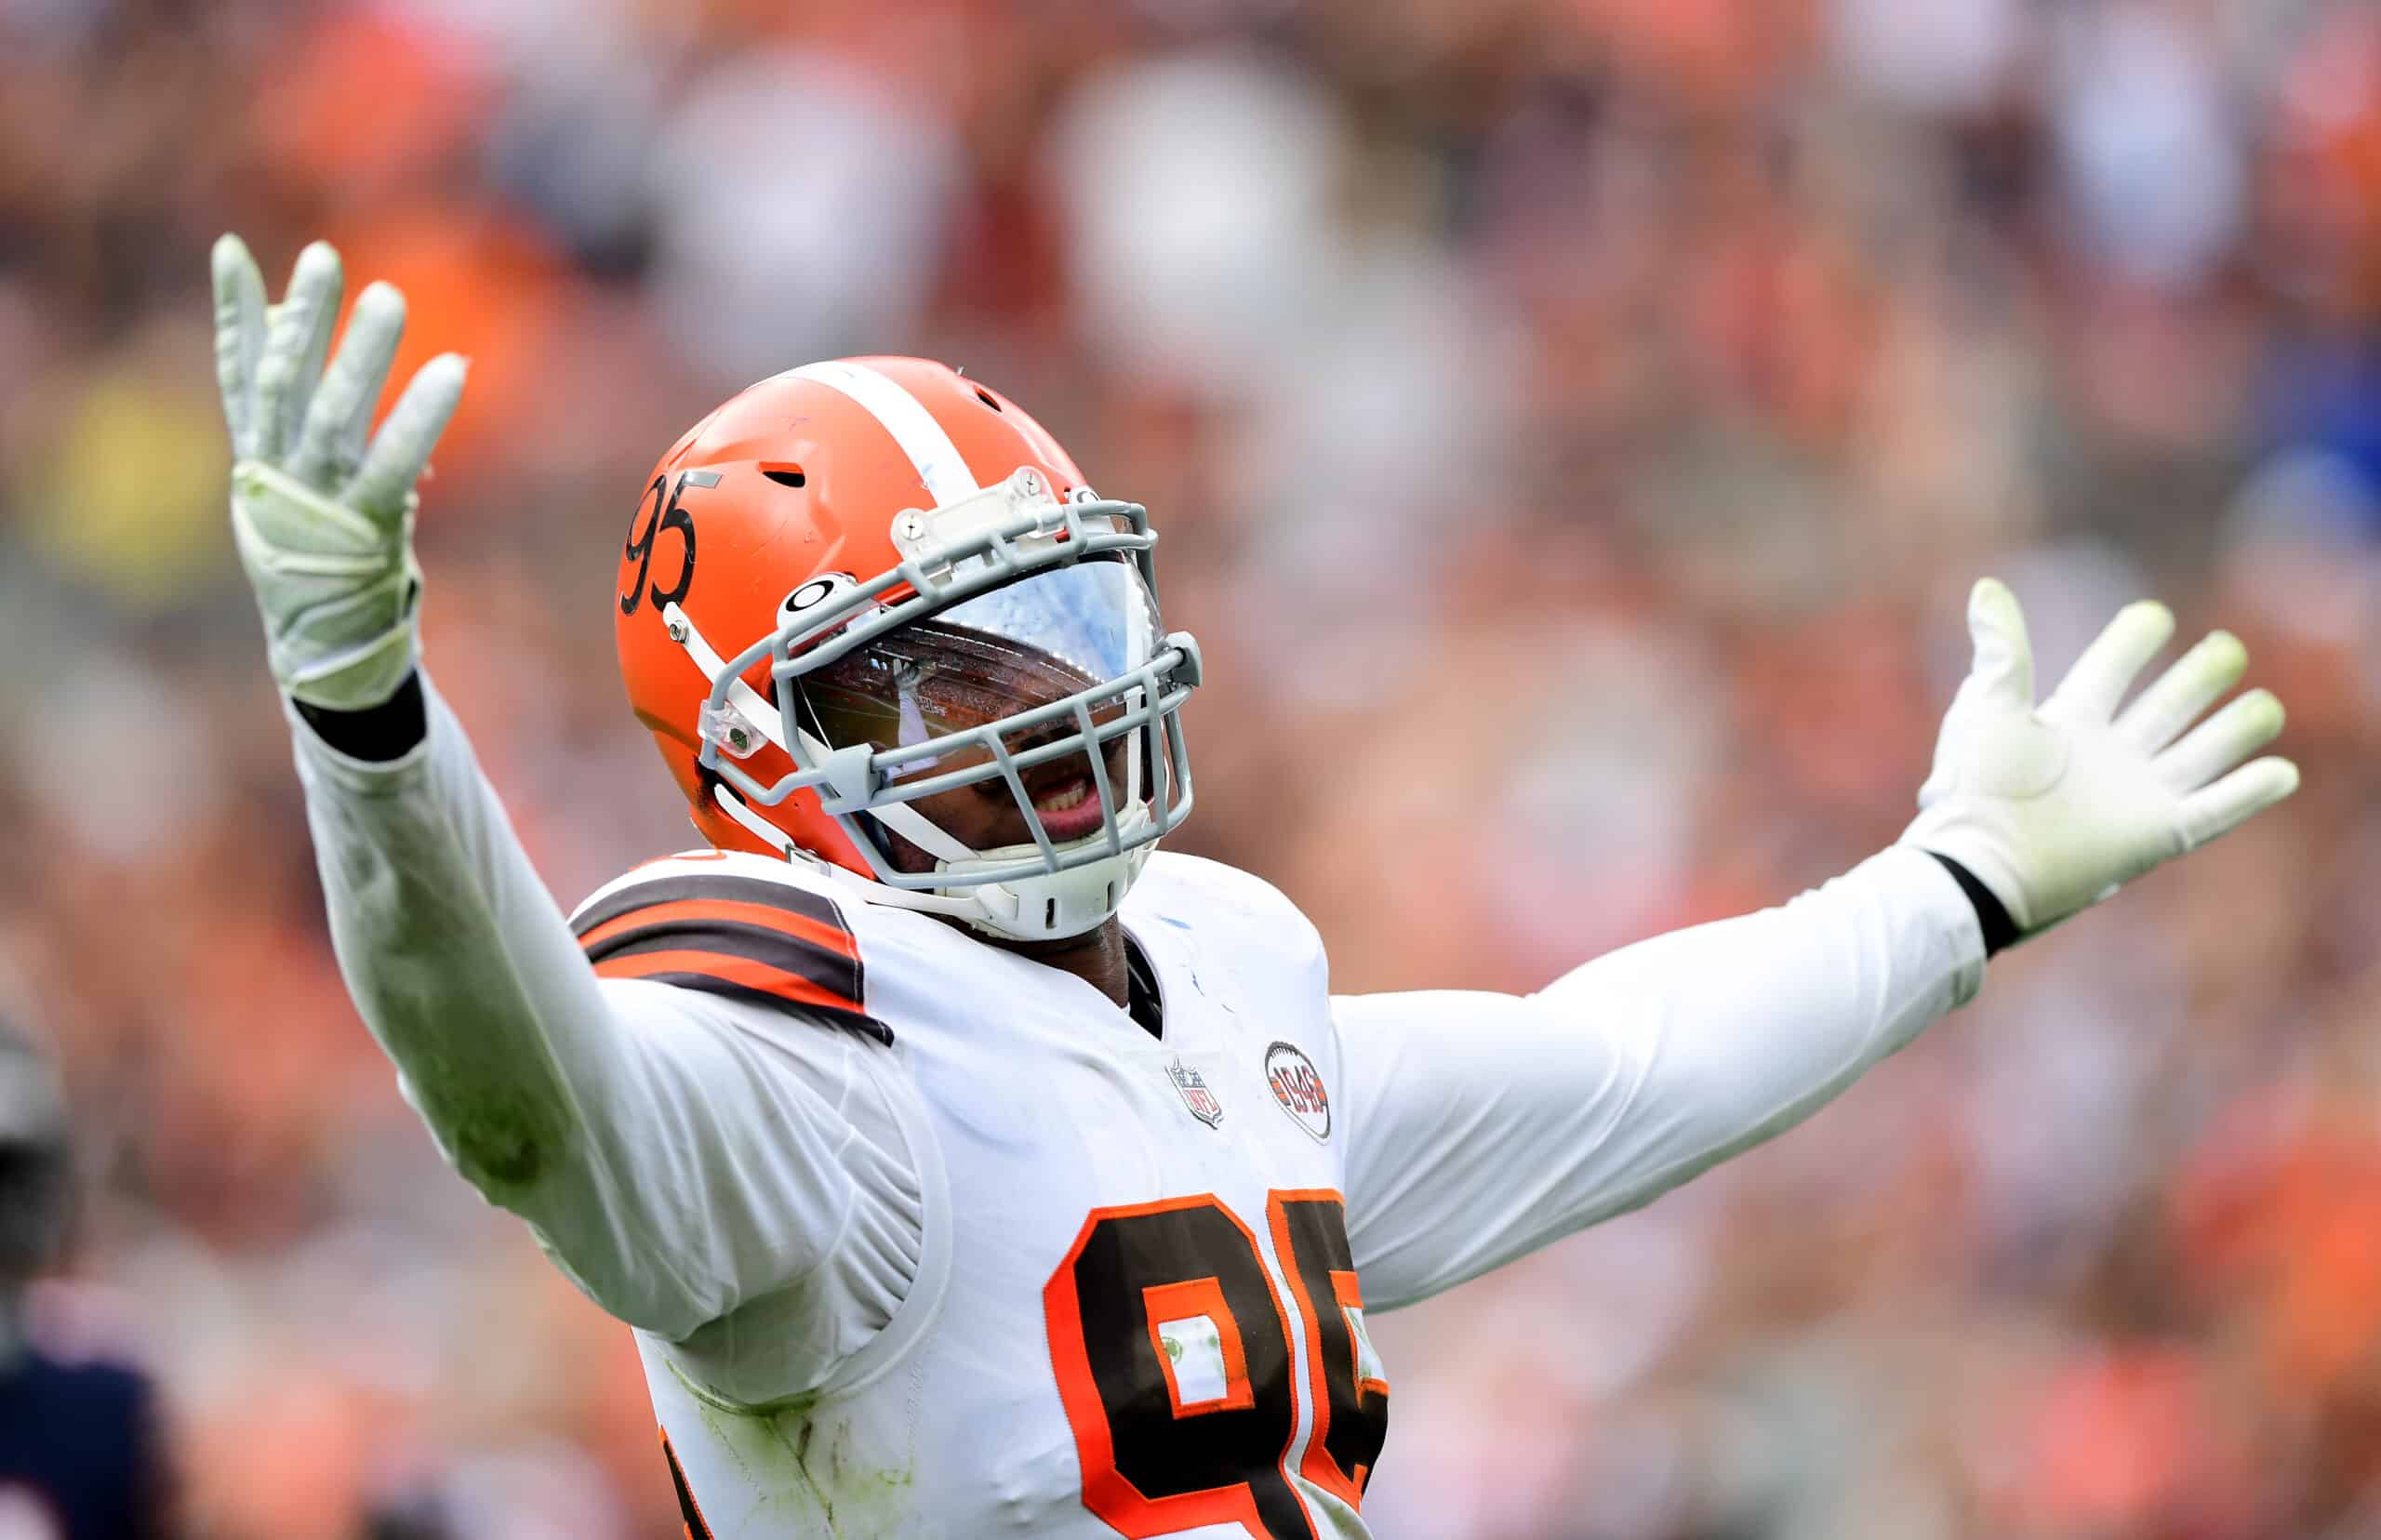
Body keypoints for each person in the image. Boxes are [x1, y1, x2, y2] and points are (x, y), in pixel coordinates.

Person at [211, 234, 2299, 1539]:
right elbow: (510, 1082)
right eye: (939, 674)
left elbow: (1610, 1069)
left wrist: (1952, 885)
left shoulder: (1214, 974)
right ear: (762, 743)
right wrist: (369, 713)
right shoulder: (792, 1071)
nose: (1037, 710)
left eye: (1046, 633)